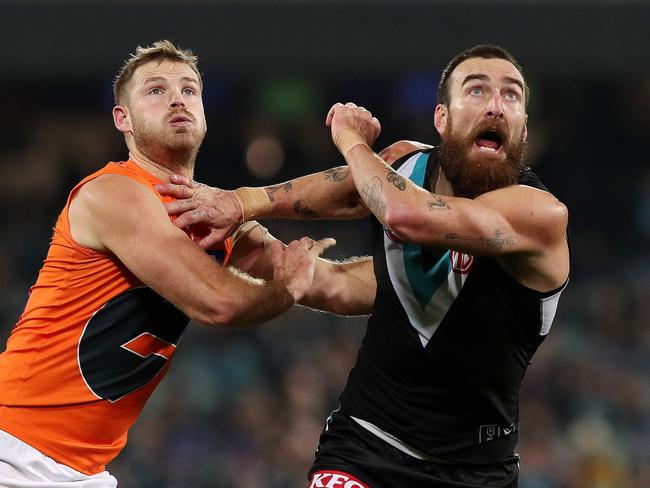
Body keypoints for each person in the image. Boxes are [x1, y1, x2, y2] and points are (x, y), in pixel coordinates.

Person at [157, 45, 571, 487]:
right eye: (476, 90)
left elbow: (403, 214)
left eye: (511, 96)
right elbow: (355, 193)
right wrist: (243, 205)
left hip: (477, 472)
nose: (494, 105)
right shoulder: (407, 165)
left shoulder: (540, 215)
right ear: (442, 119)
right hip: (365, 448)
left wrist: (350, 139)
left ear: (524, 128)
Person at [0, 40, 356, 487]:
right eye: (155, 90)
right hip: (13, 448)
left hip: (78, 471)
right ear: (122, 119)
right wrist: (285, 288)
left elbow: (335, 284)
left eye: (189, 90)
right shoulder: (112, 193)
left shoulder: (212, 213)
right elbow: (218, 303)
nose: (176, 98)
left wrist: (431, 277)